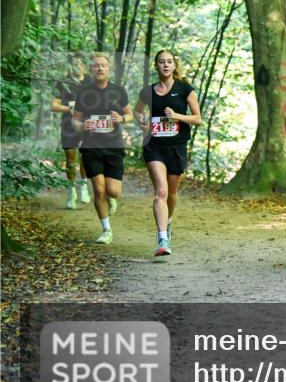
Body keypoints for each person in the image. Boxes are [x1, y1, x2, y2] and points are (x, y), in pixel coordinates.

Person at [135, 50, 201, 257]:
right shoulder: (147, 92)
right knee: (160, 192)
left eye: (169, 62)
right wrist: (142, 121)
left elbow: (197, 118)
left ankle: (168, 221)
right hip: (154, 146)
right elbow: (137, 111)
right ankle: (162, 238)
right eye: (161, 62)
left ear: (174, 66)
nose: (165, 65)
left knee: (171, 194)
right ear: (156, 66)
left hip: (176, 147)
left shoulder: (185, 89)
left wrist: (177, 116)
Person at [71, 53, 132, 244]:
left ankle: (111, 198)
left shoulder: (119, 91)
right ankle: (106, 230)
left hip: (114, 146)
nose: (99, 68)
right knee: (98, 189)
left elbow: (130, 115)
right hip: (91, 146)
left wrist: (121, 118)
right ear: (91, 70)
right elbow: (75, 120)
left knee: (113, 191)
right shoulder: (84, 92)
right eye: (96, 66)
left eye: (103, 65)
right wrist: (82, 126)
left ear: (108, 69)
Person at [51, 56, 90, 209]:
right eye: (74, 63)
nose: (77, 66)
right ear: (70, 66)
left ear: (85, 66)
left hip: (87, 123)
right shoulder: (63, 82)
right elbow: (54, 106)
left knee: (85, 155)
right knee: (70, 157)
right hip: (68, 124)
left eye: (80, 63)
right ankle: (71, 192)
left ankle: (84, 187)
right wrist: (69, 108)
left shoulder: (91, 81)